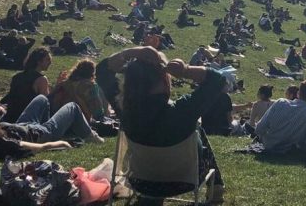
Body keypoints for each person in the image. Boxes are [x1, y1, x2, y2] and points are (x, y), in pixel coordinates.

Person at [96, 46, 226, 203]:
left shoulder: (124, 108)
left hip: (140, 182)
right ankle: (217, 185)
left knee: (191, 129)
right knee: (196, 128)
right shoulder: (183, 110)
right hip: (184, 183)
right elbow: (218, 79)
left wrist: (130, 53)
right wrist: (185, 70)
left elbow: (102, 70)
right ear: (163, 80)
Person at [255, 80, 306, 152]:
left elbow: (259, 128)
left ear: (298, 93)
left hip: (270, 145)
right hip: (292, 151)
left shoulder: (280, 102)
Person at [0, 48, 52, 123]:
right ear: (39, 61)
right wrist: (58, 86)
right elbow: (46, 103)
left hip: (10, 118)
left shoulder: (17, 76)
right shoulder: (41, 79)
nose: (50, 62)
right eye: (48, 60)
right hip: (27, 119)